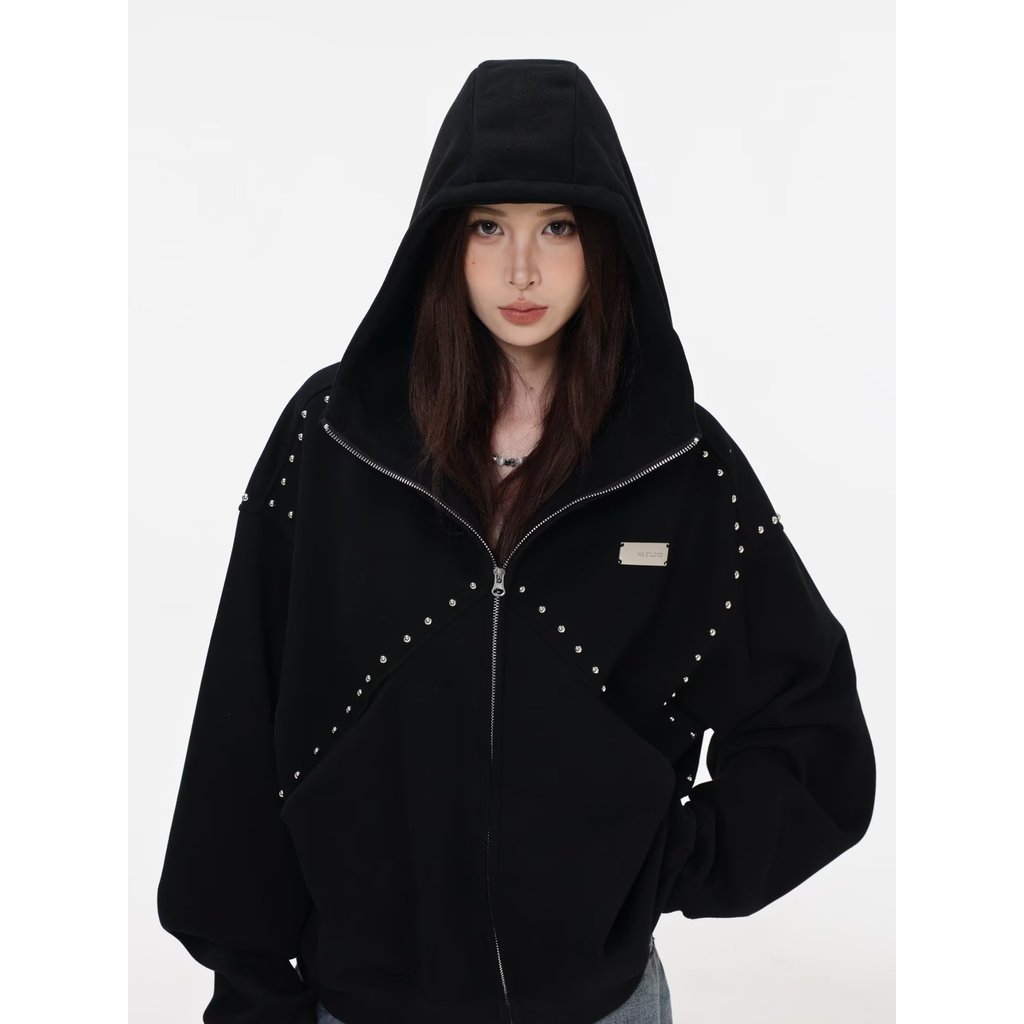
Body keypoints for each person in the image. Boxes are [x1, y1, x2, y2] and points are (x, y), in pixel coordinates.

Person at [156, 58, 876, 1024]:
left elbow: (815, 733)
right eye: (489, 226)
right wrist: (250, 994)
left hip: (601, 1008)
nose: (521, 270)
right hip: (358, 1005)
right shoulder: (332, 443)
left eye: (558, 227)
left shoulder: (679, 466)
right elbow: (239, 738)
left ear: (605, 242)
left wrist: (658, 858)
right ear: (443, 239)